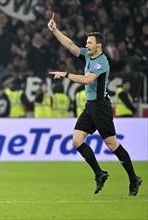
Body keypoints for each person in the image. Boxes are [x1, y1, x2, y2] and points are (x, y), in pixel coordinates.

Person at [47, 17, 142, 196]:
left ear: (98, 46)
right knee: (76, 141)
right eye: (86, 42)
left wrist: (65, 74)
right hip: (90, 106)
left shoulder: (101, 62)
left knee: (112, 145)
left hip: (101, 107)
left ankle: (133, 179)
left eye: (89, 43)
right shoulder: (88, 56)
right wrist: (54, 30)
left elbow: (86, 79)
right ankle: (100, 173)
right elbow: (69, 45)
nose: (86, 45)